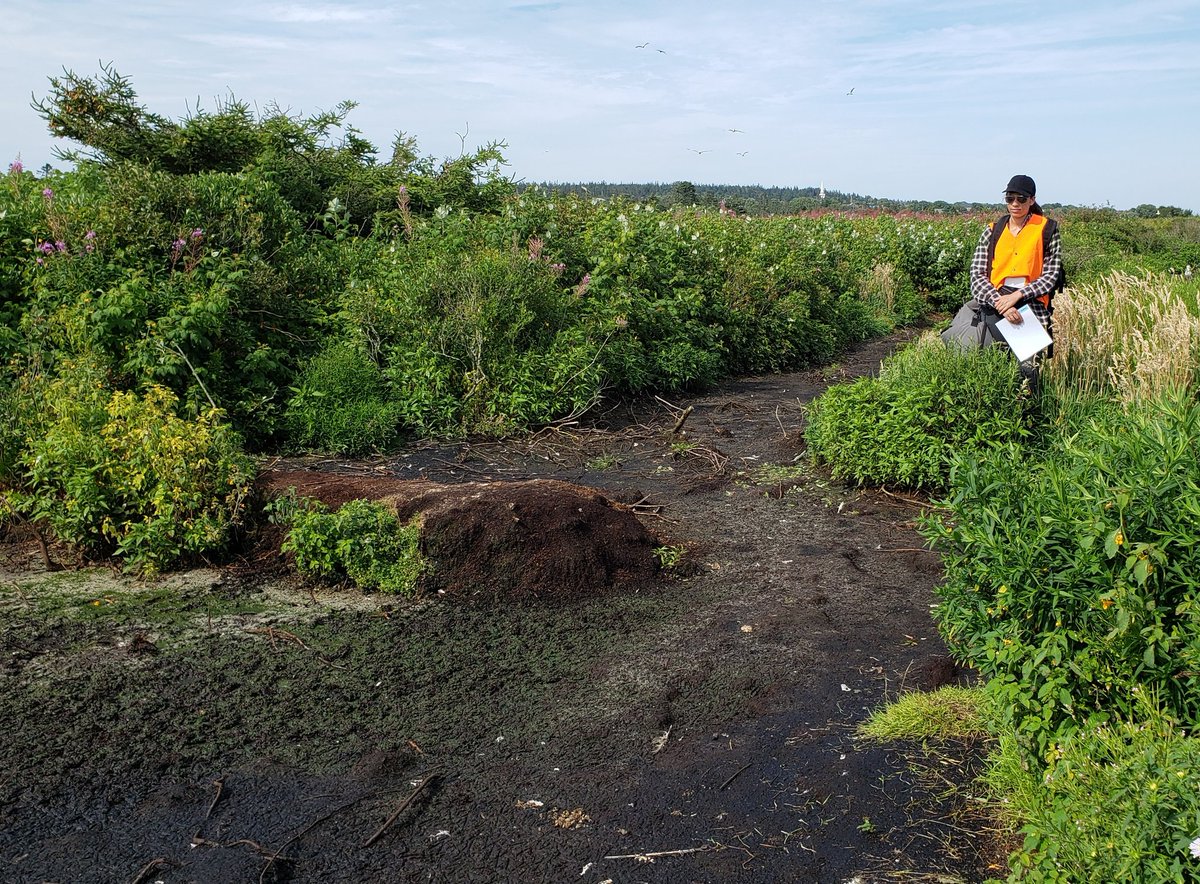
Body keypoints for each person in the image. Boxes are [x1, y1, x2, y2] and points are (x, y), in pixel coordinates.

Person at [967, 174, 1064, 383]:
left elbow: (1050, 276)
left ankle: (1029, 414)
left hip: (1031, 303)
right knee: (992, 366)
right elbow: (977, 275)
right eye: (1010, 198)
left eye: (1021, 199)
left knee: (1027, 371)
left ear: (1032, 200)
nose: (1015, 204)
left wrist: (1018, 296)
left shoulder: (1047, 229)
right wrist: (1002, 303)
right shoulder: (993, 230)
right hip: (995, 302)